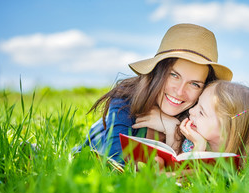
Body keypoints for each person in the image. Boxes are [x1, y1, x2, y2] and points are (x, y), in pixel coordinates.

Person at [75, 23, 233, 165]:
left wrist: (173, 130)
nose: (179, 91)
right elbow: (114, 162)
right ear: (157, 72)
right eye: (174, 75)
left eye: (194, 84)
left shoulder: (195, 118)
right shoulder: (125, 101)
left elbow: (186, 170)